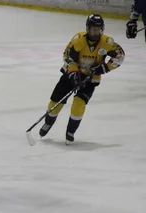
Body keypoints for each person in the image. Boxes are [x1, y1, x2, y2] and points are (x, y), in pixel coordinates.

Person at [38, 14, 125, 145]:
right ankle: (48, 122)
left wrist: (104, 68)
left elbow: (120, 56)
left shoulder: (107, 43)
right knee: (56, 100)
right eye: (92, 29)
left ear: (102, 29)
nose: (95, 32)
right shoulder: (78, 40)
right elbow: (67, 56)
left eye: (98, 29)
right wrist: (73, 73)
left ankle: (70, 131)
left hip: (90, 79)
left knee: (79, 104)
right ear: (87, 28)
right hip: (72, 74)